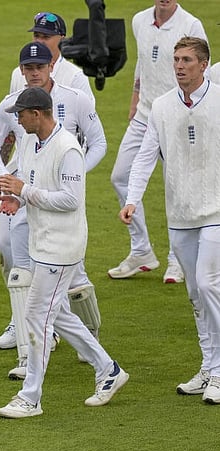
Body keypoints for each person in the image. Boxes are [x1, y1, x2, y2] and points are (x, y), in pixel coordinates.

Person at [0, 87, 128, 418]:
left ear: (38, 114)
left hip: (62, 247)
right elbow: (32, 181)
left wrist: (26, 191)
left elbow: (70, 199)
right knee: (59, 314)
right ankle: (108, 370)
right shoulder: (31, 142)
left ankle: (31, 397)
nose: (17, 119)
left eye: (21, 114)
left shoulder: (69, 149)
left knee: (38, 317)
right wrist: (18, 197)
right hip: (43, 243)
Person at [0, 42, 107, 377]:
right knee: (20, 267)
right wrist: (6, 179)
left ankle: (93, 342)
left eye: (39, 66)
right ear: (21, 70)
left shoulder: (76, 97)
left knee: (74, 281)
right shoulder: (14, 106)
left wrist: (77, 173)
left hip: (57, 199)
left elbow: (98, 142)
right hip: (26, 194)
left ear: (52, 65)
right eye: (28, 67)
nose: (34, 72)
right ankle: (29, 351)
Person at [120, 37, 220, 404]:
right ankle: (209, 367)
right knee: (195, 294)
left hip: (216, 212)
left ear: (204, 65)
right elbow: (146, 156)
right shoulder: (161, 106)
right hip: (179, 214)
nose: (179, 66)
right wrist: (132, 200)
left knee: (210, 285)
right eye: (176, 59)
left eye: (187, 60)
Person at [108, 0, 206, 283]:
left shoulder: (191, 25)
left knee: (176, 187)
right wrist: (135, 99)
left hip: (176, 118)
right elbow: (142, 63)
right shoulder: (139, 20)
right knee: (120, 176)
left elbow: (203, 69)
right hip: (144, 116)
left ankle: (176, 260)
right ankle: (141, 250)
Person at [8, 12, 94, 99]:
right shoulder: (18, 73)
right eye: (36, 36)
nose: (39, 41)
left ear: (62, 39)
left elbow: (87, 111)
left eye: (46, 37)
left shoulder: (75, 77)